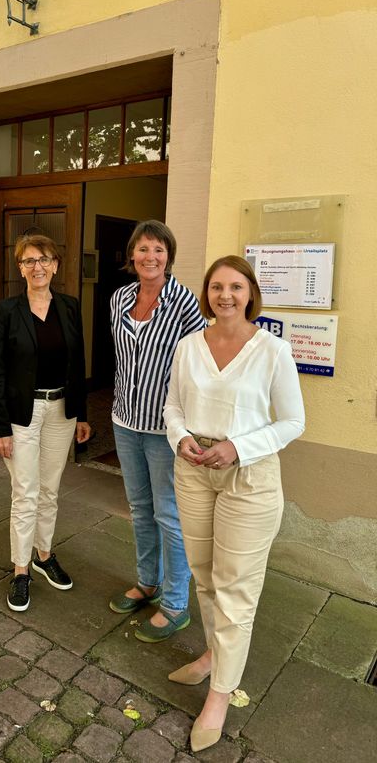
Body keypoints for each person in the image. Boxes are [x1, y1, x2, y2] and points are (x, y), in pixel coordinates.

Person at [164, 255, 305, 752]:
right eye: (217, 286)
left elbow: (292, 421)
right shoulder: (188, 347)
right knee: (203, 573)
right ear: (208, 293)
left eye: (236, 287)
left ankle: (220, 695)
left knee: (235, 587)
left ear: (250, 294)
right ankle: (212, 654)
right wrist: (180, 437)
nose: (226, 295)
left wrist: (238, 448)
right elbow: (173, 405)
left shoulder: (273, 351)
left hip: (248, 476)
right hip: (195, 469)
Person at [108, 219, 205, 642]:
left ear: (169, 256)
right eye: (144, 249)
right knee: (139, 508)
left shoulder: (184, 303)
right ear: (132, 255)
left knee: (170, 514)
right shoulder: (119, 298)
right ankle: (148, 582)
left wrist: (188, 426)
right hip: (124, 419)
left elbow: (197, 367)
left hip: (164, 427)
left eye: (159, 250)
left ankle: (177, 602)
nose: (151, 257)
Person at [0, 233, 91, 612]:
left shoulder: (69, 306)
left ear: (55, 265)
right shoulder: (6, 311)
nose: (37, 267)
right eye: (29, 261)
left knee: (50, 489)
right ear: (20, 268)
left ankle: (44, 556)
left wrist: (81, 414)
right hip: (22, 414)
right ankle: (20, 571)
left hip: (61, 411)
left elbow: (77, 364)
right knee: (26, 491)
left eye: (44, 259)